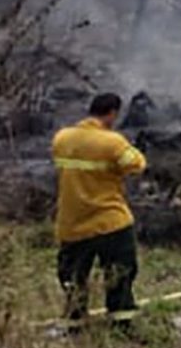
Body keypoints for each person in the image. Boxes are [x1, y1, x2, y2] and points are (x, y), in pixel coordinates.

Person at [52, 92, 147, 323]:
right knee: (119, 274)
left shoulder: (62, 138)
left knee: (73, 277)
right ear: (112, 113)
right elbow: (137, 164)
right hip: (110, 221)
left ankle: (74, 321)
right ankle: (121, 320)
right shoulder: (112, 142)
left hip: (72, 222)